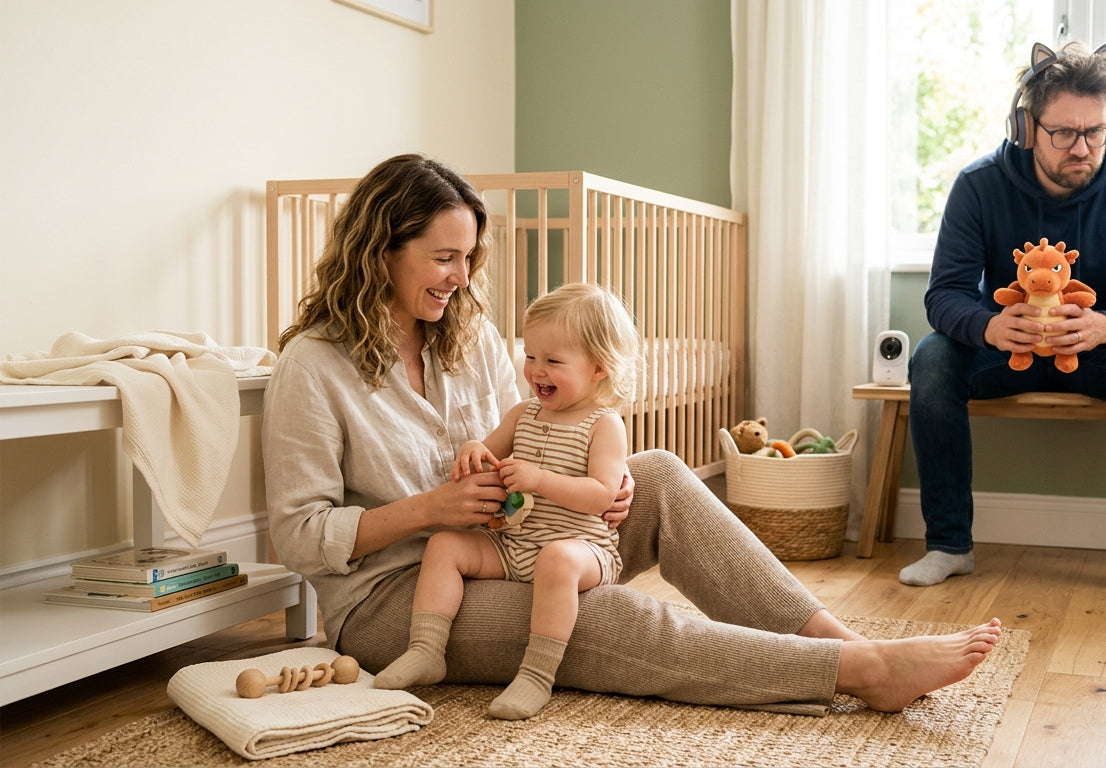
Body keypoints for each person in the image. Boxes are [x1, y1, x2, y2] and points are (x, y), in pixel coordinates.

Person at [263, 152, 1003, 719]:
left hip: (514, 544)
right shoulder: (314, 365)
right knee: (588, 609)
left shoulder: (472, 339)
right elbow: (299, 536)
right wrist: (431, 509)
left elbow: (528, 442)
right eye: (444, 257)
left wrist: (598, 492)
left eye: (469, 258)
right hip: (397, 602)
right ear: (383, 248)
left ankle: (845, 642)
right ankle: (863, 676)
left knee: (658, 471)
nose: (462, 277)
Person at [899, 41, 1106, 605]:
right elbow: (945, 296)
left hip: (1099, 352)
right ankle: (949, 546)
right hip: (1006, 350)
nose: (1082, 147)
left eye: (1096, 131)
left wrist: (1103, 326)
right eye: (1063, 133)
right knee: (932, 356)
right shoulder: (978, 183)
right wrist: (988, 326)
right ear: (1026, 126)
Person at [374, 282, 640, 721]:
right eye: (530, 355)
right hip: (513, 544)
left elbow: (601, 496)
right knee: (444, 544)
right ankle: (425, 649)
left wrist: (540, 478)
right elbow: (488, 454)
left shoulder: (603, 424)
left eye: (553, 361)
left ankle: (536, 676)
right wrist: (471, 452)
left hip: (581, 550)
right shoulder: (523, 414)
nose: (536, 370)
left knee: (557, 559)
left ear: (598, 368)